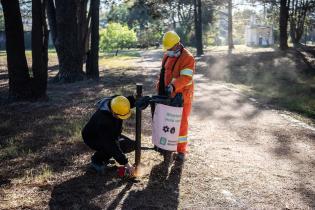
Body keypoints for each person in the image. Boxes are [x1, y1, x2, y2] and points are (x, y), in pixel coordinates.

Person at [82, 95, 145, 175]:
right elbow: (111, 144)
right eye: (118, 116)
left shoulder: (117, 101)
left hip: (109, 134)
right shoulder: (103, 121)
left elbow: (128, 101)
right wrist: (126, 164)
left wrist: (141, 100)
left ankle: (106, 157)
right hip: (92, 137)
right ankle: (97, 160)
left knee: (131, 144)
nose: (120, 118)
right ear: (113, 111)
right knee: (112, 148)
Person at [157, 31, 195, 161]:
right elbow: (163, 73)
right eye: (167, 48)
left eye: (171, 48)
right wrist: (160, 89)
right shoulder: (167, 55)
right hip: (167, 95)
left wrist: (173, 86)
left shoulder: (187, 57)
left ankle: (181, 151)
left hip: (182, 97)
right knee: (166, 122)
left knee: (181, 124)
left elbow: (186, 78)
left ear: (178, 44)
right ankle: (166, 147)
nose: (168, 50)